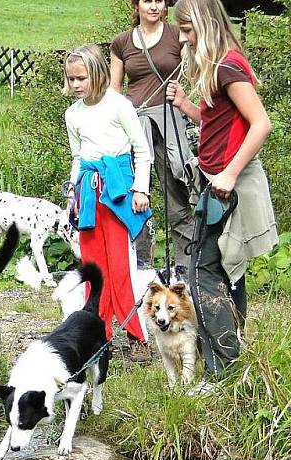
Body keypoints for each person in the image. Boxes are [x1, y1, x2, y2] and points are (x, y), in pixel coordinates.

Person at [167, 0, 278, 394]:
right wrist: (186, 107)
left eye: (186, 30)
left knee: (201, 273)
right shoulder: (219, 68)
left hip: (229, 186)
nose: (183, 38)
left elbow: (260, 123)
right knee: (227, 271)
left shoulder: (229, 66)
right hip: (215, 182)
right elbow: (220, 123)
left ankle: (224, 371)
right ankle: (233, 365)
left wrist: (229, 173)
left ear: (203, 23)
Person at [63, 44, 153, 353]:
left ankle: (135, 334)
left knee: (121, 266)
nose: (76, 85)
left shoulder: (119, 106)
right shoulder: (72, 114)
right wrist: (72, 194)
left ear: (98, 73)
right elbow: (77, 157)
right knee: (93, 266)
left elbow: (142, 150)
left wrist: (141, 188)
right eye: (71, 79)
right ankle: (97, 336)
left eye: (81, 78)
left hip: (116, 191)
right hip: (88, 194)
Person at [110, 0, 195, 277]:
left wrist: (186, 100)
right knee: (137, 193)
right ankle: (140, 264)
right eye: (147, 0)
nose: (154, 6)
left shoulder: (177, 35)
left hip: (170, 122)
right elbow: (114, 92)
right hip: (135, 124)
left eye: (159, 0)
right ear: (136, 4)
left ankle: (186, 264)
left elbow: (194, 75)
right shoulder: (122, 42)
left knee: (177, 193)